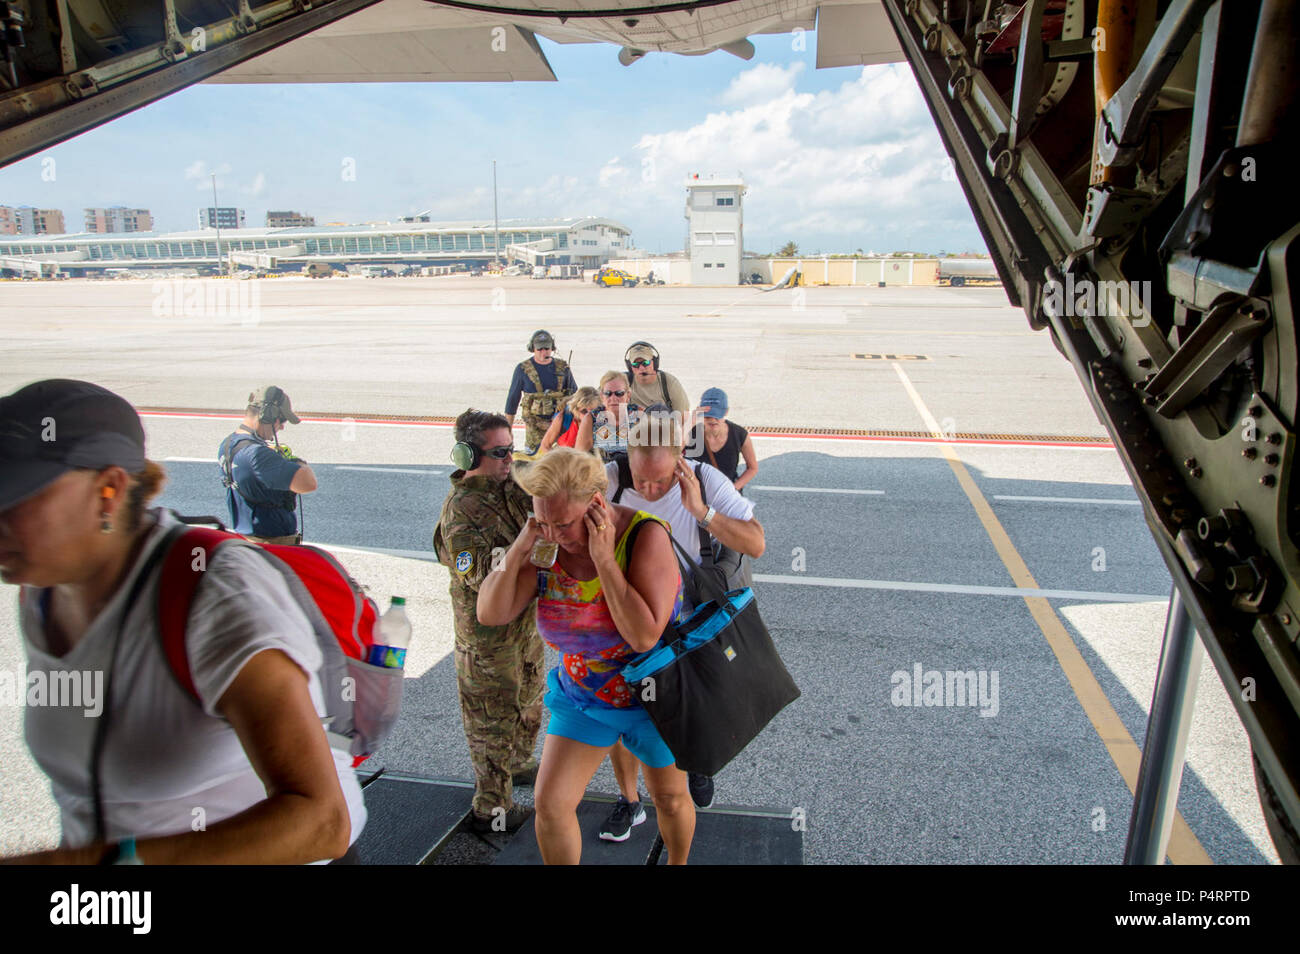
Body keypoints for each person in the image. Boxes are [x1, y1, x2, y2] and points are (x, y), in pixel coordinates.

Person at [0, 379, 365, 864]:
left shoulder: (216, 596)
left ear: (108, 491)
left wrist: (107, 867)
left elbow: (321, 822)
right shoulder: (41, 591)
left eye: (16, 496)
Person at [477, 448, 695, 864]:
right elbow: (491, 613)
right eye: (542, 520)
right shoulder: (544, 544)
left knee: (669, 797)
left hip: (653, 698)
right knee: (551, 804)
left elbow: (644, 636)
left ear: (596, 504)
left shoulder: (645, 535)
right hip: (584, 696)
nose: (555, 534)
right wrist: (524, 543)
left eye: (563, 523)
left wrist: (603, 558)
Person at [600, 411, 765, 828]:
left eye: (662, 480)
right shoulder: (610, 479)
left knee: (693, 706)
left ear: (679, 462)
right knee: (623, 711)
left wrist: (702, 512)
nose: (652, 491)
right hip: (628, 613)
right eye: (642, 481)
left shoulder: (706, 480)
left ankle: (698, 763)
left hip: (690, 620)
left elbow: (756, 544)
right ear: (628, 460)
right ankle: (629, 799)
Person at [432, 410, 544, 833]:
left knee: (530, 699)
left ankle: (518, 764)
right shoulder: (462, 509)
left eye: (510, 448)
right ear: (468, 455)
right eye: (499, 452)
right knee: (491, 720)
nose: (508, 458)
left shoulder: (508, 484)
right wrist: (524, 547)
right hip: (487, 640)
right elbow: (477, 572)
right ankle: (491, 807)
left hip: (522, 627)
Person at [218, 385, 317, 544]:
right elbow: (308, 483)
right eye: (282, 420)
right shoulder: (258, 455)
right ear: (268, 416)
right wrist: (294, 461)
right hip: (273, 547)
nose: (282, 426)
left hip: (247, 540)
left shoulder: (228, 444)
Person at [505, 330, 577, 453]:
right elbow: (512, 402)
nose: (544, 352)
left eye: (547, 348)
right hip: (535, 434)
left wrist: (566, 400)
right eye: (540, 349)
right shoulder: (523, 370)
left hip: (561, 431)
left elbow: (576, 396)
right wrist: (507, 433)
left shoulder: (563, 368)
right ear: (533, 348)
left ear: (552, 348)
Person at [684, 388, 758, 493]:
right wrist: (691, 422)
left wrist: (733, 489)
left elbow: (752, 468)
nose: (713, 420)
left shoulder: (739, 434)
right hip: (698, 495)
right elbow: (672, 452)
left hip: (727, 494)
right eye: (708, 416)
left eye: (717, 415)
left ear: (726, 412)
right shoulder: (691, 431)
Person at [623, 342, 693, 430]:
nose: (641, 368)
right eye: (635, 365)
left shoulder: (669, 383)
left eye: (645, 363)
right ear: (630, 367)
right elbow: (601, 397)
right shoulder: (622, 382)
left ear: (654, 363)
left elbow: (684, 419)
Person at [576, 371, 639, 462]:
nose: (613, 398)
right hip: (602, 472)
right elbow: (579, 457)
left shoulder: (639, 416)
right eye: (608, 393)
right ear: (602, 396)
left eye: (619, 393)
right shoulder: (591, 419)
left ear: (628, 395)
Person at [538, 387, 602, 454]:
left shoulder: (603, 421)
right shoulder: (563, 418)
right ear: (576, 409)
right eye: (584, 411)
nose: (588, 415)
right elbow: (545, 446)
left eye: (594, 412)